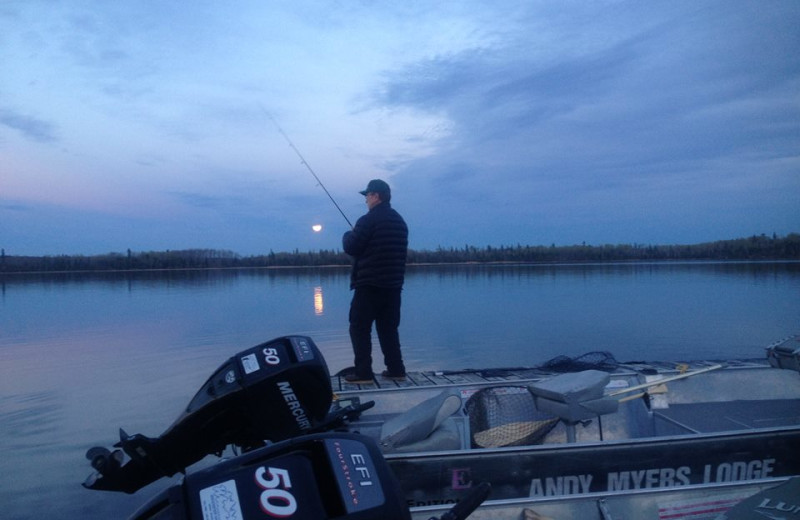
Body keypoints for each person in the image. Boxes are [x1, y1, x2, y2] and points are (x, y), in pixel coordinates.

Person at [342, 179, 409, 383]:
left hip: (369, 285)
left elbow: (352, 247)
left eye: (368, 195)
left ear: (376, 196)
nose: (366, 200)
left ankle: (363, 373)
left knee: (359, 327)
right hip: (393, 287)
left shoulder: (367, 220)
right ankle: (396, 369)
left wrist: (348, 234)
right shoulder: (400, 222)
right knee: (388, 329)